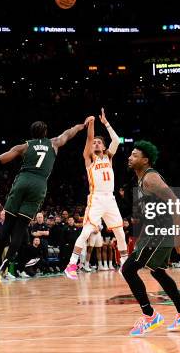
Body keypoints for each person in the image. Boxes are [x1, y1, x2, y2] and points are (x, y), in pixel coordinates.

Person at [0, 118, 88, 288]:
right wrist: (81, 126)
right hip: (39, 184)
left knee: (7, 226)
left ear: (32, 134)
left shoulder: (24, 146)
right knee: (20, 229)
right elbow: (69, 133)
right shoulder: (54, 143)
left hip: (23, 180)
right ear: (46, 132)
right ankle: (3, 266)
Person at [121, 140, 180, 336]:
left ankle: (150, 316)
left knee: (128, 269)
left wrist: (179, 235)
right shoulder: (140, 180)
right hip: (154, 232)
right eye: (130, 154)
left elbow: (176, 203)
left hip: (161, 232)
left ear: (145, 160)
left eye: (135, 155)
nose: (130, 157)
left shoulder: (150, 178)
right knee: (158, 272)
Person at [65, 109, 128, 279]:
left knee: (120, 233)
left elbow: (116, 139)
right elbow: (89, 139)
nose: (96, 144)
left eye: (99, 142)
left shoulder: (109, 157)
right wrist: (92, 124)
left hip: (111, 199)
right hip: (97, 198)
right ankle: (71, 264)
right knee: (86, 232)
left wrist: (106, 123)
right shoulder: (89, 158)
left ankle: (124, 264)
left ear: (104, 146)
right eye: (95, 143)